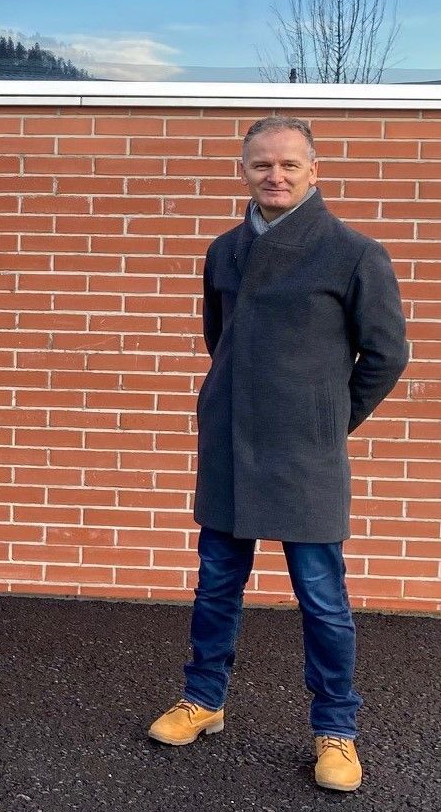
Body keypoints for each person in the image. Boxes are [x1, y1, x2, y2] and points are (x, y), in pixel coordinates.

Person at [146, 116, 407, 792]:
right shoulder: (223, 251)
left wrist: (329, 419)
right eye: (262, 164)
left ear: (313, 171)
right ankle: (203, 699)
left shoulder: (354, 254)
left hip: (305, 453)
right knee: (216, 583)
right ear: (244, 171)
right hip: (231, 445)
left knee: (321, 597)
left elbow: (386, 355)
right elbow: (221, 339)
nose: (276, 175)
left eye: (290, 164)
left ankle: (336, 729)